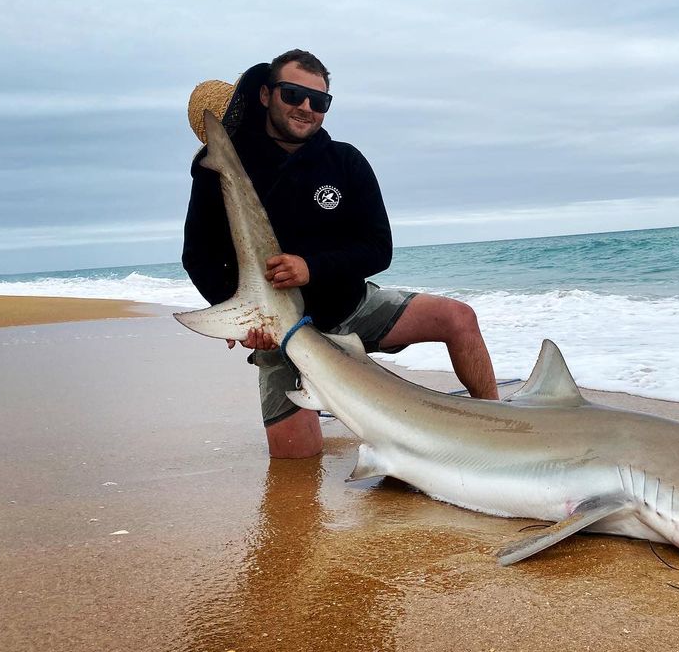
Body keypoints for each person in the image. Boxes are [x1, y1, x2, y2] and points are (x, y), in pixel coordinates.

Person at [183, 49, 498, 459]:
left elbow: (377, 249)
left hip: (354, 309)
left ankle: (498, 423)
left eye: (319, 101)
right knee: (296, 465)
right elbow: (199, 257)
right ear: (265, 95)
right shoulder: (218, 177)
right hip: (282, 336)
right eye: (293, 94)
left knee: (459, 318)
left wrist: (311, 268)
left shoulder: (345, 162)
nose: (306, 108)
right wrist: (242, 315)